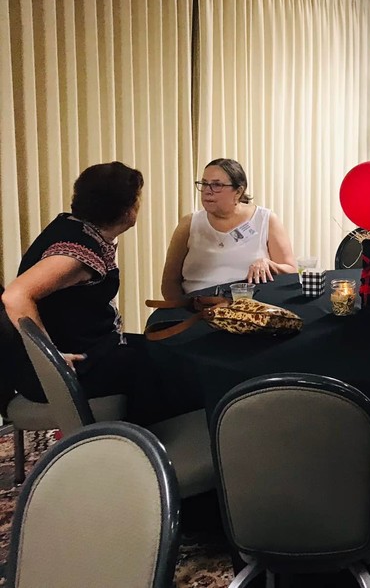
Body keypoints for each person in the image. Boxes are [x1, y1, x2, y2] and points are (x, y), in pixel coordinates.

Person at [1, 162, 171, 424]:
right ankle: (143, 440)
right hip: (59, 369)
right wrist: (53, 360)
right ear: (127, 210)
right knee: (153, 368)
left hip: (86, 346)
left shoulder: (77, 227)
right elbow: (14, 296)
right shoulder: (76, 255)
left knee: (163, 350)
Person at [161, 158, 296, 298]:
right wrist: (182, 308)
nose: (207, 191)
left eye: (216, 185)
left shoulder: (265, 219)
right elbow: (169, 283)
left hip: (252, 307)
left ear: (238, 192)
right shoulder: (189, 224)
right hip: (198, 307)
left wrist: (269, 264)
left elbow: (291, 271)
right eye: (204, 184)